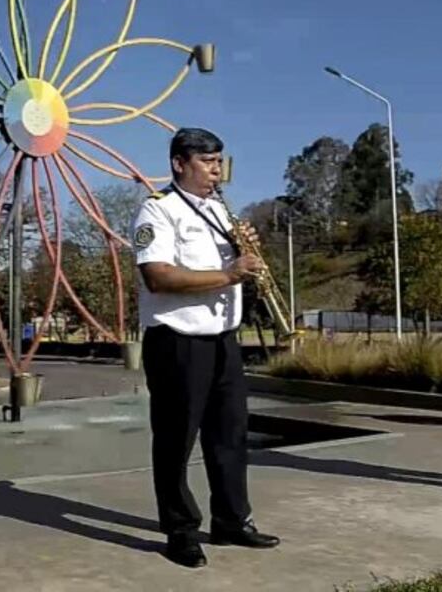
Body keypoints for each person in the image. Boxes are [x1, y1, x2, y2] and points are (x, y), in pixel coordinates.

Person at [131, 127, 280, 568]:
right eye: (208, 161)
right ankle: (180, 530)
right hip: (177, 340)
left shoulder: (219, 210)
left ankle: (232, 519)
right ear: (180, 163)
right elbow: (158, 276)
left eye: (220, 161)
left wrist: (248, 256)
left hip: (222, 339)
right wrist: (231, 273)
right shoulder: (157, 211)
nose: (217, 170)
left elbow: (234, 269)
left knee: (231, 435)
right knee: (176, 440)